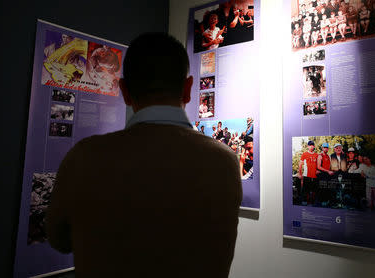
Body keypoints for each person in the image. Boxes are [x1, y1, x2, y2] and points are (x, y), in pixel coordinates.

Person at [46, 32, 242, 278]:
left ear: (124, 91)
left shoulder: (84, 157)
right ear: (188, 89)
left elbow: (59, 240)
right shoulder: (223, 161)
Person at [298, 140, 318, 205]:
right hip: (307, 175)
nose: (311, 147)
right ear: (308, 146)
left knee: (314, 191)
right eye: (310, 145)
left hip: (315, 176)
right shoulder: (304, 154)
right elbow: (300, 165)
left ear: (314, 146)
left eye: (312, 145)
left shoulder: (316, 155)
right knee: (306, 191)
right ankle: (307, 203)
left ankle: (313, 203)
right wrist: (300, 174)